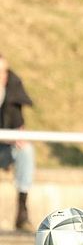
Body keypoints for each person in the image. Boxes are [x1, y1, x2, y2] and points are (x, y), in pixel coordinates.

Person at [0, 53, 36, 231]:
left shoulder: (12, 88)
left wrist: (19, 135)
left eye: (4, 72)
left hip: (5, 148)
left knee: (26, 150)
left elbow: (18, 122)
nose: (2, 76)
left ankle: (22, 210)